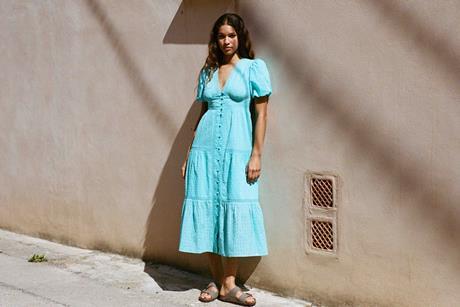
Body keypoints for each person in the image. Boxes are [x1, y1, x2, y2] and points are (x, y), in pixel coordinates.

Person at [178, 12, 272, 306]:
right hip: (204, 154)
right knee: (206, 210)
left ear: (240, 37)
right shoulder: (207, 72)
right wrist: (187, 156)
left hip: (237, 153)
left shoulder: (253, 69)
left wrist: (256, 154)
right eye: (221, 36)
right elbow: (202, 114)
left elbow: (262, 114)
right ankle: (217, 280)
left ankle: (230, 284)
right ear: (215, 40)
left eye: (231, 35)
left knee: (235, 209)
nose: (226, 41)